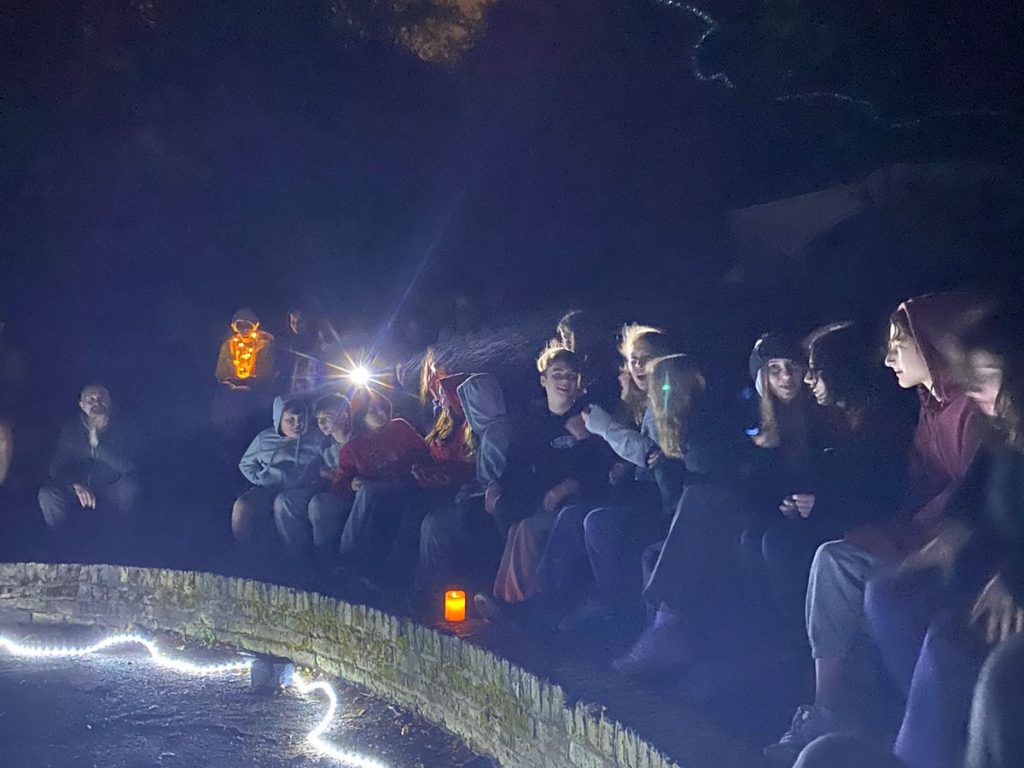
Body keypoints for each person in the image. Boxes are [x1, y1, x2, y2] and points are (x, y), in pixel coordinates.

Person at [767, 293, 985, 763]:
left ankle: (924, 729)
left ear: (930, 345)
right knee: (828, 557)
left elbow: (972, 495)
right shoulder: (930, 406)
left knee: (866, 581)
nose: (888, 357)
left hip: (953, 543)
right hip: (921, 531)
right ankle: (826, 705)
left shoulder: (968, 409)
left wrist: (905, 530)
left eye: (898, 344)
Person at [864, 302, 1024, 768]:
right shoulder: (1005, 432)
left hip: (1011, 582)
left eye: (988, 375)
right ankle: (943, 731)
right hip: (988, 570)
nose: (974, 390)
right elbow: (975, 492)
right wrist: (953, 531)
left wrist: (1015, 578)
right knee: (889, 595)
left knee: (951, 642)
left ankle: (925, 753)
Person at [478, 345, 609, 613]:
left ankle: (523, 604)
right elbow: (515, 462)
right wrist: (496, 484)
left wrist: (583, 443)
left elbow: (602, 470)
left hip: (573, 502)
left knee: (527, 530)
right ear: (544, 380)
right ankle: (507, 596)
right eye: (557, 374)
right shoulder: (533, 421)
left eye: (571, 376)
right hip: (538, 496)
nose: (564, 381)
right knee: (508, 516)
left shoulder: (589, 418)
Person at [738, 332, 826, 639]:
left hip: (821, 512)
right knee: (751, 537)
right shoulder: (755, 418)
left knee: (776, 544)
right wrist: (764, 451)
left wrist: (809, 500)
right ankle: (769, 633)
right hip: (782, 511)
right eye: (774, 368)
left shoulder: (820, 411)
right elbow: (751, 487)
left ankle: (797, 634)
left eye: (792, 366)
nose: (786, 376)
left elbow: (829, 470)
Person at [333, 388, 431, 583]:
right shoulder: (353, 448)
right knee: (369, 494)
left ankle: (392, 577)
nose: (380, 413)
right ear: (361, 416)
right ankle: (349, 562)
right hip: (377, 497)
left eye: (380, 407)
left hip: (408, 488)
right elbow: (340, 484)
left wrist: (419, 468)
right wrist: (351, 484)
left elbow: (423, 453)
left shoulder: (400, 428)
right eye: (372, 410)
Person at [38, 384, 139, 546]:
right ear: (82, 405)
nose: (96, 402)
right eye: (90, 399)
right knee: (48, 494)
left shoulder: (123, 426)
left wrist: (97, 449)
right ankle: (59, 545)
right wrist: (75, 484)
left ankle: (123, 544)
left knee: (128, 488)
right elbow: (57, 466)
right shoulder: (71, 428)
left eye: (101, 398)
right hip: (79, 489)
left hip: (110, 486)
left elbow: (127, 466)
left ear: (110, 401)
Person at [232, 396, 324, 555]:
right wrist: (260, 478)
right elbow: (245, 464)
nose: (297, 424)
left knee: (283, 503)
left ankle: (296, 557)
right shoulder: (264, 439)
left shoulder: (317, 438)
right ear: (279, 418)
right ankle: (244, 555)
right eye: (291, 419)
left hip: (301, 490)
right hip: (268, 488)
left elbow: (330, 462)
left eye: (301, 418)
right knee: (242, 506)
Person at [282, 306, 325, 395]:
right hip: (292, 388)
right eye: (293, 322)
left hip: (311, 387)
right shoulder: (288, 342)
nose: (296, 326)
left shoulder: (315, 341)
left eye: (299, 322)